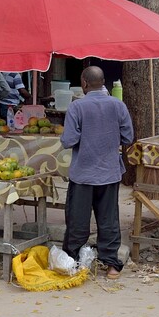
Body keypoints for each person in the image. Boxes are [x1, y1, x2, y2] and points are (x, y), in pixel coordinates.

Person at [59, 66, 133, 280]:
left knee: (77, 220)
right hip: (109, 173)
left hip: (83, 174)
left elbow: (68, 141)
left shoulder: (77, 107)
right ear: (103, 82)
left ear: (83, 83)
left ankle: (72, 261)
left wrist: (85, 135)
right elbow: (127, 137)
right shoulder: (118, 105)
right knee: (109, 219)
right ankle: (111, 266)